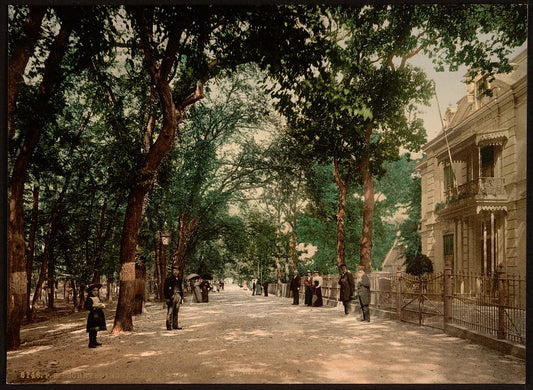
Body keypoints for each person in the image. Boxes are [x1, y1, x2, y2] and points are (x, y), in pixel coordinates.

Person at [84, 283, 106, 348]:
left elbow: (99, 303)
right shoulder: (90, 298)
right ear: (91, 291)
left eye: (97, 290)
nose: (96, 292)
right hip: (93, 315)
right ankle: (91, 343)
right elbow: (87, 307)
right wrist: (95, 307)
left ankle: (94, 341)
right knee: (92, 329)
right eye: (94, 290)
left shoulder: (97, 298)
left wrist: (101, 306)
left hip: (98, 314)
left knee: (96, 329)